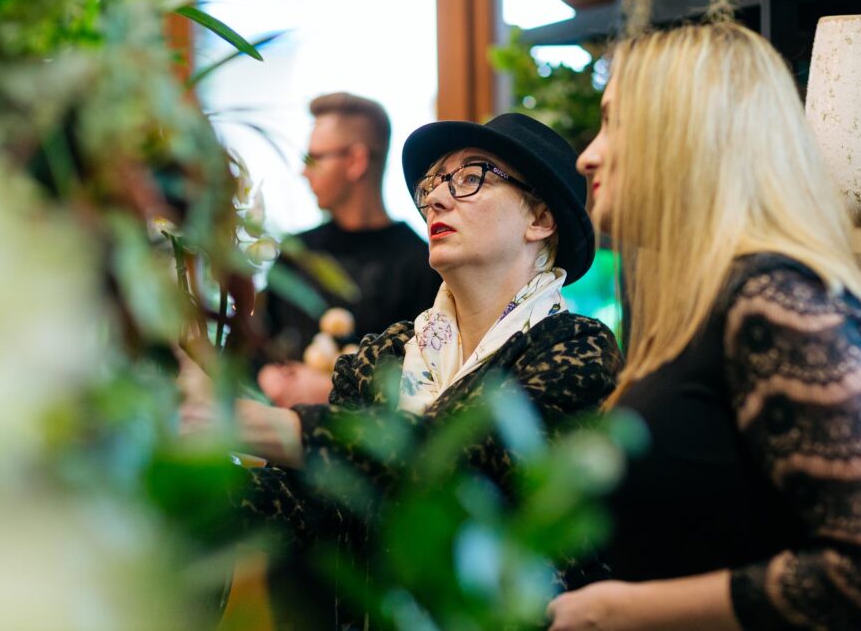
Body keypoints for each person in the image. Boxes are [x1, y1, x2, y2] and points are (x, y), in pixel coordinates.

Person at [547, 22, 861, 631]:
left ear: (688, 137)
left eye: (613, 122)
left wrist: (621, 611)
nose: (586, 155)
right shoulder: (710, 300)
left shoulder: (773, 303)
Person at [182, 113, 623, 627]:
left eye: (470, 178)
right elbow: (311, 500)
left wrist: (270, 425)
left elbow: (453, 456)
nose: (436, 199)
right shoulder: (386, 354)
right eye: (432, 185)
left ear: (541, 219)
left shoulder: (576, 348)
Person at [258, 92, 441, 407]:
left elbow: (428, 382)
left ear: (356, 161)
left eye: (314, 159)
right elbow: (257, 346)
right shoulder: (295, 252)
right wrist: (267, 375)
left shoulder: (423, 264)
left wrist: (335, 391)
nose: (304, 172)